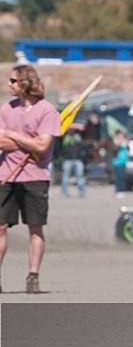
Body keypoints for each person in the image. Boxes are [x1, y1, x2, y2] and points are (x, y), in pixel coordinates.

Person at [0, 65, 61, 294]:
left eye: (13, 80)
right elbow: (0, 141)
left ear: (25, 82)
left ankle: (33, 275)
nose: (9, 84)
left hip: (35, 176)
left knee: (35, 228)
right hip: (5, 174)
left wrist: (14, 136)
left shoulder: (47, 111)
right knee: (1, 226)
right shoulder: (7, 108)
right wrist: (29, 141)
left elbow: (43, 145)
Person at [60, 124, 86, 197]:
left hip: (78, 159)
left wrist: (75, 126)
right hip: (67, 159)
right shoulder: (64, 137)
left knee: (80, 176)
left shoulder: (77, 137)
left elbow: (83, 129)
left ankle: (82, 192)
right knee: (65, 177)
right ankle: (64, 193)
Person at [112, 131, 129, 198]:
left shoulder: (125, 142)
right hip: (117, 162)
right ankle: (118, 190)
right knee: (118, 177)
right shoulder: (115, 141)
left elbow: (128, 149)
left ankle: (122, 190)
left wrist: (126, 142)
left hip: (123, 162)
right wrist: (120, 142)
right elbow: (114, 149)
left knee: (123, 177)